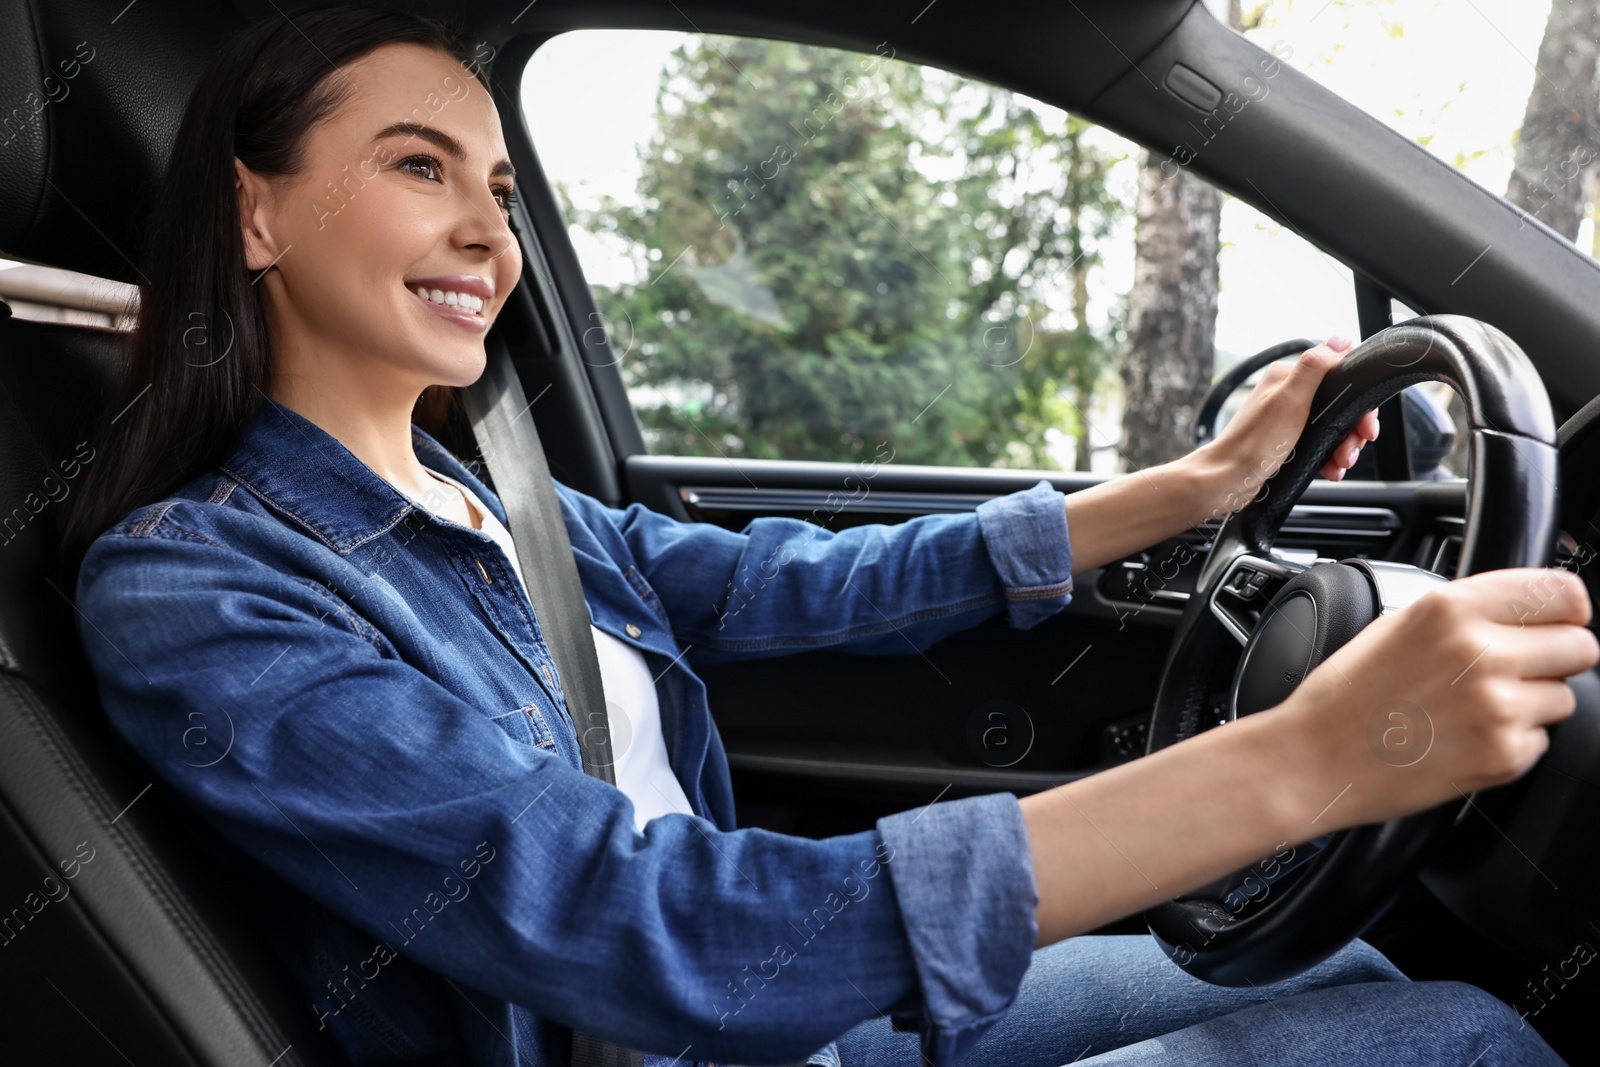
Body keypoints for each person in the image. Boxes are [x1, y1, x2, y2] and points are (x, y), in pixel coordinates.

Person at [59, 7, 1593, 1067]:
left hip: (788, 1023)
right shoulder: (201, 585)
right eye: (418, 165)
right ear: (257, 214)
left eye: (501, 185)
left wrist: (1181, 494)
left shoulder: (494, 497)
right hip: (694, 1024)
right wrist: (1310, 761)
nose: (488, 232)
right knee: (1455, 1038)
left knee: (1361, 968)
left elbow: (797, 578)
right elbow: (642, 925)